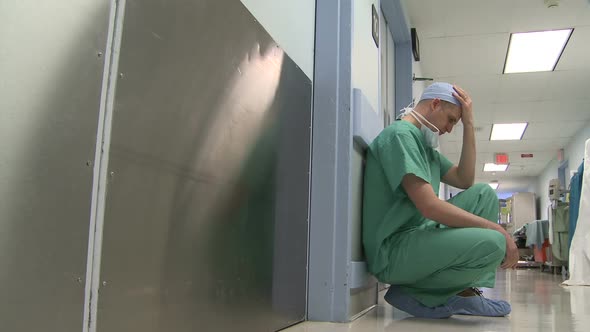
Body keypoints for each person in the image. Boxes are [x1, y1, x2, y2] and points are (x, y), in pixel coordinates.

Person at [362, 82, 519, 319]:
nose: (449, 129)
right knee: (494, 243)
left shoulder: (425, 148)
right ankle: (420, 293)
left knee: (483, 194)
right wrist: (498, 229)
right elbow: (429, 206)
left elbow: (465, 179)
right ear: (435, 104)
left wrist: (468, 124)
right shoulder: (400, 136)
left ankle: (463, 292)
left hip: (416, 237)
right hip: (393, 252)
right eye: (451, 120)